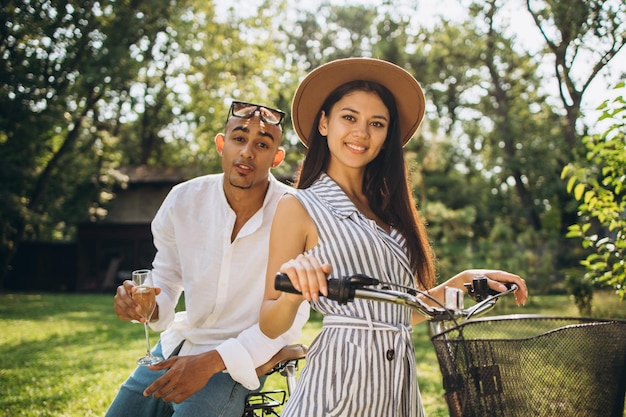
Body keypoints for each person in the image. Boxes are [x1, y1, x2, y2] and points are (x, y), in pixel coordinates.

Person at [259, 58, 529, 417]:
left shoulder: (389, 213)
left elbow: (400, 313)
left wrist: (464, 283)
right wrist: (293, 295)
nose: (361, 133)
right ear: (324, 122)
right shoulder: (298, 205)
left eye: (376, 123)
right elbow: (267, 320)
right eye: (349, 117)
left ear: (387, 136)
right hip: (339, 392)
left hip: (398, 391)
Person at [106, 101, 309, 417]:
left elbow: (289, 317)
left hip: (242, 358)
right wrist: (146, 305)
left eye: (262, 144)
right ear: (221, 144)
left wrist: (214, 361)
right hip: (179, 343)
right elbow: (167, 275)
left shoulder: (295, 212)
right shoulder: (183, 199)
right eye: (239, 139)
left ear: (276, 157)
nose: (247, 152)